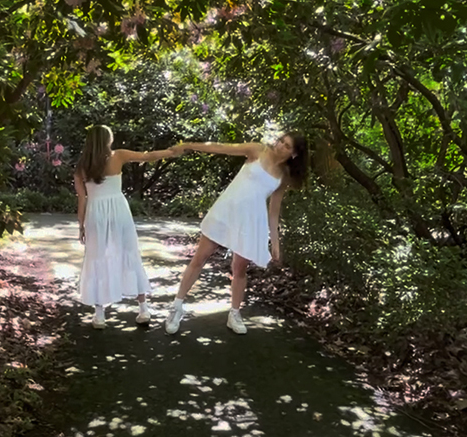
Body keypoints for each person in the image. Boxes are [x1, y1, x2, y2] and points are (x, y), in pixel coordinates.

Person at [165, 133, 308, 335]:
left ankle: (234, 313)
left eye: (286, 146)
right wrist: (187, 145)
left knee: (239, 269)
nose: (279, 146)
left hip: (250, 222)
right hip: (226, 211)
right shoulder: (257, 150)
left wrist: (275, 243)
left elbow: (274, 212)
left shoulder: (283, 175)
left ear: (294, 154)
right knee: (200, 258)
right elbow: (220, 147)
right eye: (280, 141)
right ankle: (176, 306)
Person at [74, 125, 183, 329]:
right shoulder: (119, 156)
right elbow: (147, 156)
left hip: (95, 213)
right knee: (129, 253)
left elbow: (82, 199)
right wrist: (170, 152)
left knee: (96, 257)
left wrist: (81, 226)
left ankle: (99, 315)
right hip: (119, 210)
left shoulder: (82, 167)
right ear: (107, 140)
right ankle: (143, 309)